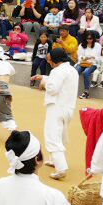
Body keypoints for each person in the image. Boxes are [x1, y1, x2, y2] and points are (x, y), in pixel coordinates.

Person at [31, 48, 78, 180]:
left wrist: (44, 81)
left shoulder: (58, 71)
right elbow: (60, 82)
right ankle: (54, 160)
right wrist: (45, 77)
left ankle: (61, 167)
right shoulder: (72, 70)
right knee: (60, 134)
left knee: (52, 137)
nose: (49, 62)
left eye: (50, 60)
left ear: (56, 60)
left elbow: (52, 89)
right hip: (68, 108)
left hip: (57, 106)